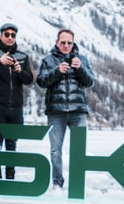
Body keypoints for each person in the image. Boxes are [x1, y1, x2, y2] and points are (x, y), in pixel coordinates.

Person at [36, 29, 95, 190]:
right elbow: (41, 81)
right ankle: (57, 182)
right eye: (63, 42)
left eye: (69, 42)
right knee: (55, 150)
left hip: (78, 111)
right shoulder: (48, 60)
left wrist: (80, 68)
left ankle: (77, 183)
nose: (66, 45)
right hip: (56, 112)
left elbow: (91, 82)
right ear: (57, 43)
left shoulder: (82, 59)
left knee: (79, 150)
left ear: (73, 43)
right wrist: (57, 71)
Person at [0, 22, 34, 179]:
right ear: (1, 36)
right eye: (7, 34)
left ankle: (10, 177)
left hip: (16, 107)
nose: (10, 37)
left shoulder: (23, 57)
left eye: (13, 35)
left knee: (12, 145)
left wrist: (19, 71)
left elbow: (29, 79)